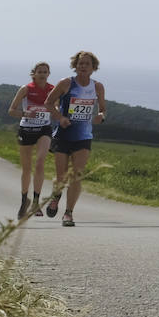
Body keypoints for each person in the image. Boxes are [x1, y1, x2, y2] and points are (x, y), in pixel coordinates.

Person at [42, 51, 106, 228]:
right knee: (61, 176)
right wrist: (59, 117)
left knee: (77, 175)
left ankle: (68, 213)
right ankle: (56, 196)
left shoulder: (98, 87)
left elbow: (102, 109)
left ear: (93, 68)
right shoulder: (66, 83)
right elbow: (48, 103)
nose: (83, 67)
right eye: (80, 64)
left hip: (83, 136)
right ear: (75, 66)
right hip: (63, 134)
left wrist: (101, 115)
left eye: (87, 64)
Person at [9, 62, 56, 219]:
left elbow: (57, 109)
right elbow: (11, 111)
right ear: (34, 74)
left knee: (40, 162)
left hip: (44, 129)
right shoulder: (26, 89)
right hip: (27, 129)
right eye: (39, 71)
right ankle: (24, 200)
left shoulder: (52, 90)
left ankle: (36, 202)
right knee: (26, 168)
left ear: (49, 74)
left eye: (45, 71)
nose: (42, 74)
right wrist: (26, 114)